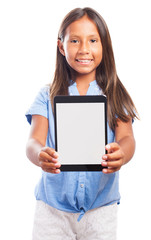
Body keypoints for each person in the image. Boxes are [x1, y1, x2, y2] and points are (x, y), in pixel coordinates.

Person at [26, 7, 138, 240]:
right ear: (61, 46)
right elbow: (33, 141)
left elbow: (126, 138)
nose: (84, 49)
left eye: (93, 40)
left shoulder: (115, 93)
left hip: (101, 209)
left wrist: (122, 154)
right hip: (52, 210)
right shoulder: (46, 95)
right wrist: (40, 155)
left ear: (104, 46)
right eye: (75, 40)